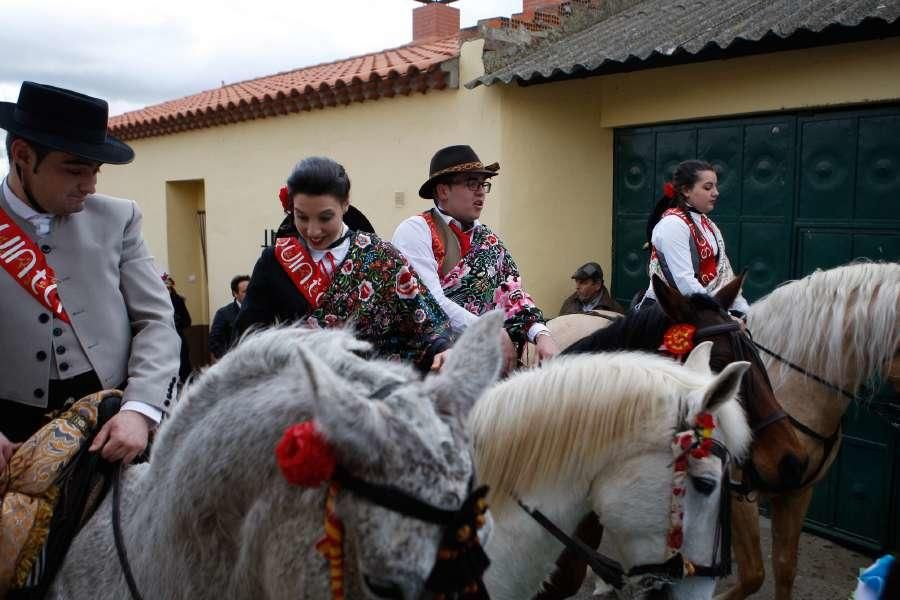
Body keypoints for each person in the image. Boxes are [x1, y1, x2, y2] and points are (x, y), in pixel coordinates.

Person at [0, 81, 180, 471]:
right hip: (8, 436)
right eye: (75, 169)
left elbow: (157, 323)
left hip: (111, 426)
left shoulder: (120, 218)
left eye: (95, 170)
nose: (91, 185)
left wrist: (140, 409)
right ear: (22, 155)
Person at [234, 156, 452, 372]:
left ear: (345, 203)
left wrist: (442, 349)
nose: (312, 230)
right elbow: (249, 338)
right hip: (300, 392)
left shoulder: (381, 257)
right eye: (301, 217)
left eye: (325, 218)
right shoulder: (275, 262)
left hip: (371, 393)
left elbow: (425, 323)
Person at [392, 145, 559, 373]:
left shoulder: (489, 240)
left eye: (483, 184)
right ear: (443, 191)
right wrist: (488, 329)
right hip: (434, 360)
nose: (480, 192)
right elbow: (428, 300)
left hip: (489, 360)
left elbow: (513, 294)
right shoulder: (416, 231)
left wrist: (541, 333)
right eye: (471, 183)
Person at [638, 159, 750, 317]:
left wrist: (745, 313)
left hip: (706, 308)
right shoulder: (672, 225)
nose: (716, 192)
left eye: (715, 186)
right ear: (686, 190)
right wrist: (724, 316)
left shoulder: (710, 226)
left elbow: (725, 277)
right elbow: (684, 282)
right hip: (667, 311)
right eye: (707, 187)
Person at [558, 261, 624, 315]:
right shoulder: (569, 303)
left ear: (598, 285)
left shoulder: (614, 310)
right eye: (576, 282)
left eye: (583, 283)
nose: (577, 287)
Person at [208, 274, 249, 360]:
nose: (249, 294)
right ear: (235, 294)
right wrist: (227, 359)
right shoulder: (223, 313)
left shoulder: (258, 311)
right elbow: (214, 341)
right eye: (245, 291)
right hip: (233, 362)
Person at [163, 273, 193, 382]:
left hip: (178, 338)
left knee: (184, 368)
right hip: (163, 340)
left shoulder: (178, 300)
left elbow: (187, 321)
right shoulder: (156, 302)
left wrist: (175, 322)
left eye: (168, 286)